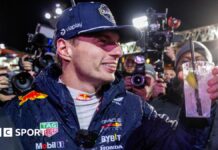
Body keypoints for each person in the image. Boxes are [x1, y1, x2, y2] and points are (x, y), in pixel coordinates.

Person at [3, 2, 218, 150]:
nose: (117, 51)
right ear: (64, 48)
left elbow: (181, 145)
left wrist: (199, 103)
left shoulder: (134, 108)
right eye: (103, 41)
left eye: (116, 42)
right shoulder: (19, 114)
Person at [151, 40, 218, 149]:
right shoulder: (157, 106)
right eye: (185, 61)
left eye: (200, 61)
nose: (193, 66)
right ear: (177, 70)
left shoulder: (215, 105)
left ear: (210, 68)